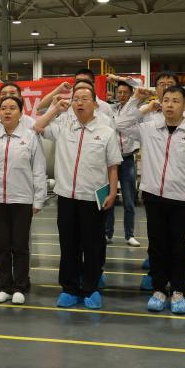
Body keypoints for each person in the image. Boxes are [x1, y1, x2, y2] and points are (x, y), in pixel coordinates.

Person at [117, 85, 185, 315]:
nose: (169, 105)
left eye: (176, 101)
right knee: (156, 246)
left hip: (182, 199)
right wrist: (138, 102)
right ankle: (158, 289)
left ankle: (178, 291)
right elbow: (121, 124)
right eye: (166, 100)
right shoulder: (149, 129)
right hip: (154, 197)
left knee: (179, 249)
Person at [34, 85, 120, 310]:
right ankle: (69, 288)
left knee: (93, 246)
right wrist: (55, 109)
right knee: (68, 245)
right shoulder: (63, 127)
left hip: (93, 198)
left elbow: (112, 165)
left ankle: (91, 288)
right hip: (66, 197)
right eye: (76, 99)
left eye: (84, 98)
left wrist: (112, 192)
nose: (79, 102)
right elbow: (38, 126)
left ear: (95, 104)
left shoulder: (106, 132)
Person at [0, 96, 47, 304]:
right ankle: (5, 286)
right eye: (3, 108)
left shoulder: (30, 136)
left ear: (21, 113)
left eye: (12, 108)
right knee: (1, 245)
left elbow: (39, 168)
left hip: (22, 198)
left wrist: (39, 199)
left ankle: (19, 286)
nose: (7, 112)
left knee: (20, 245)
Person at [109, 81, 140, 247]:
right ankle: (107, 233)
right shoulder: (110, 110)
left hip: (127, 159)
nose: (122, 95)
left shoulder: (136, 111)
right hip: (111, 160)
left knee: (129, 199)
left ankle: (130, 235)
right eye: (119, 92)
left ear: (131, 94)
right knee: (109, 198)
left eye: (125, 92)